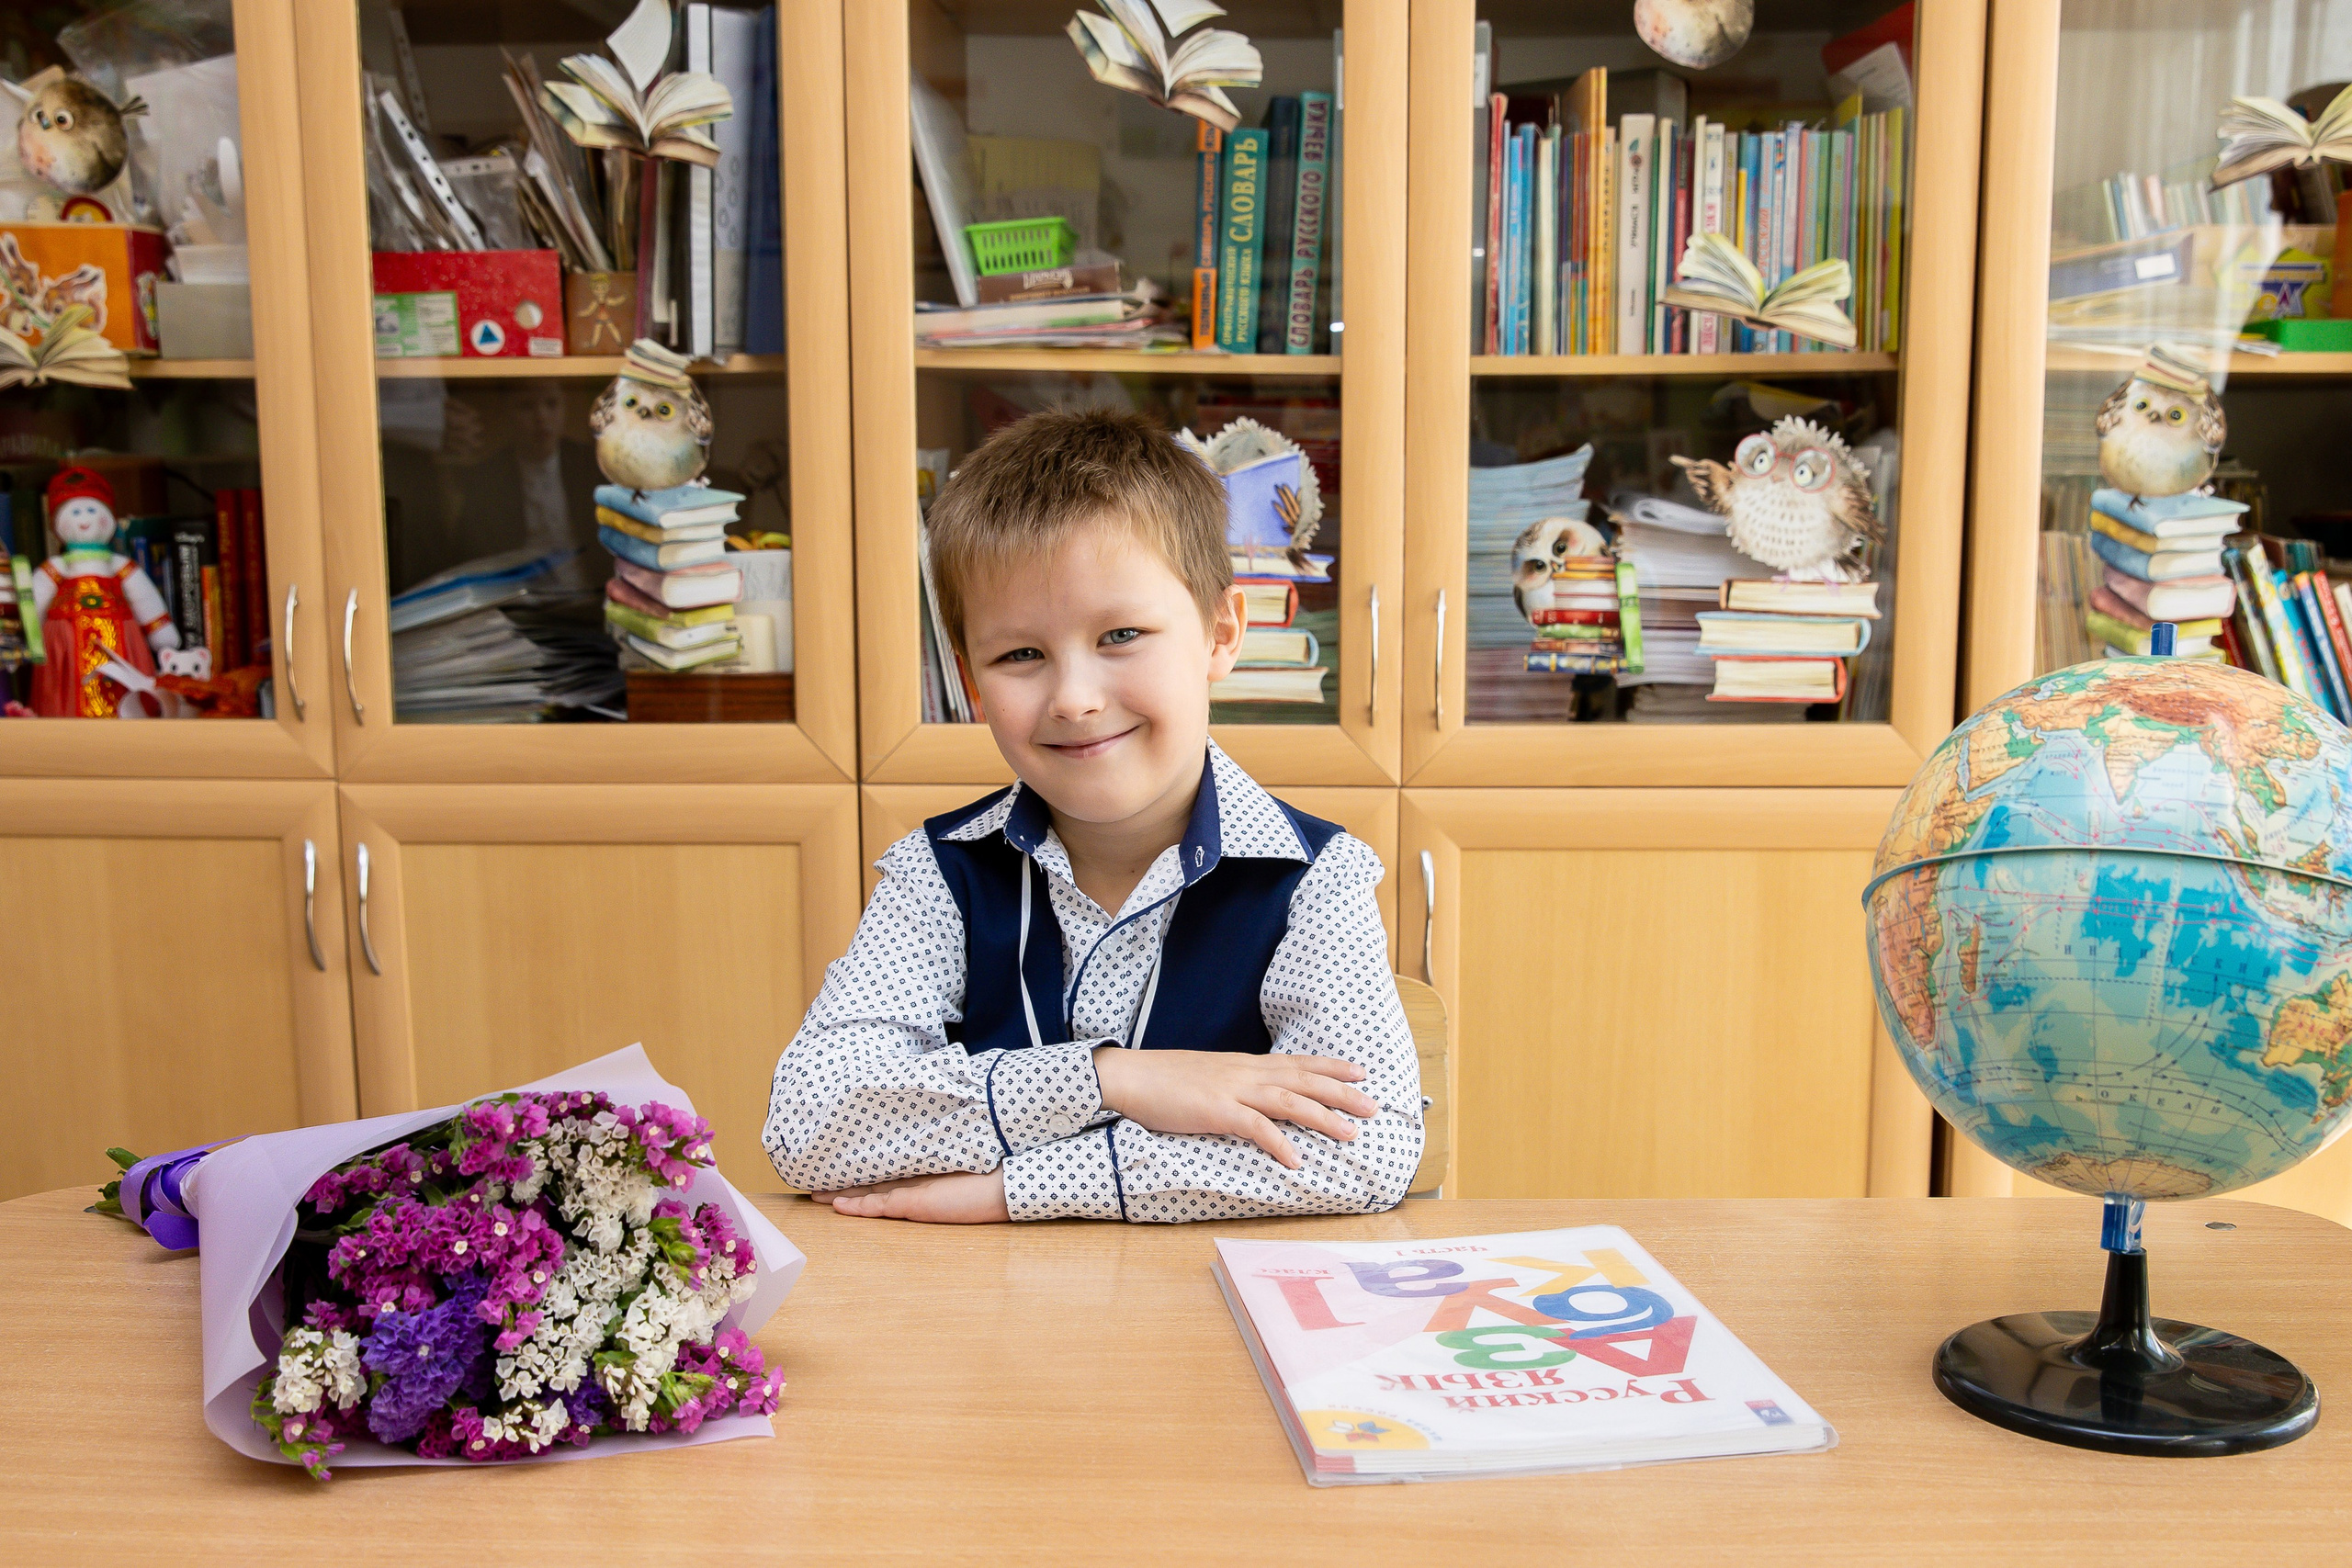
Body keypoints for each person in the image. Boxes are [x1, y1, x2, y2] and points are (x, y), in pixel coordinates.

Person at [764, 409, 1421, 1223]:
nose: (1074, 698)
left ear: (1220, 633)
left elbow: (1366, 1151)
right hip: (973, 1301)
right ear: (972, 681)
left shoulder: (1316, 879)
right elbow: (807, 1125)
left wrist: (1011, 1191)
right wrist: (1116, 1078)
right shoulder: (937, 873)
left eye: (1121, 634)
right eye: (1021, 655)